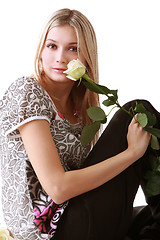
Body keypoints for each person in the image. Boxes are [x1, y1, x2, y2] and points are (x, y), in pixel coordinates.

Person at [0, 8, 160, 240]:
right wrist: (132, 153)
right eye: (52, 46)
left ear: (86, 56)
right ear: (41, 51)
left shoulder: (81, 111)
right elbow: (58, 189)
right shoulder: (28, 91)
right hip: (49, 232)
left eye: (73, 49)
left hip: (74, 219)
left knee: (147, 217)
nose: (61, 58)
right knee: (137, 110)